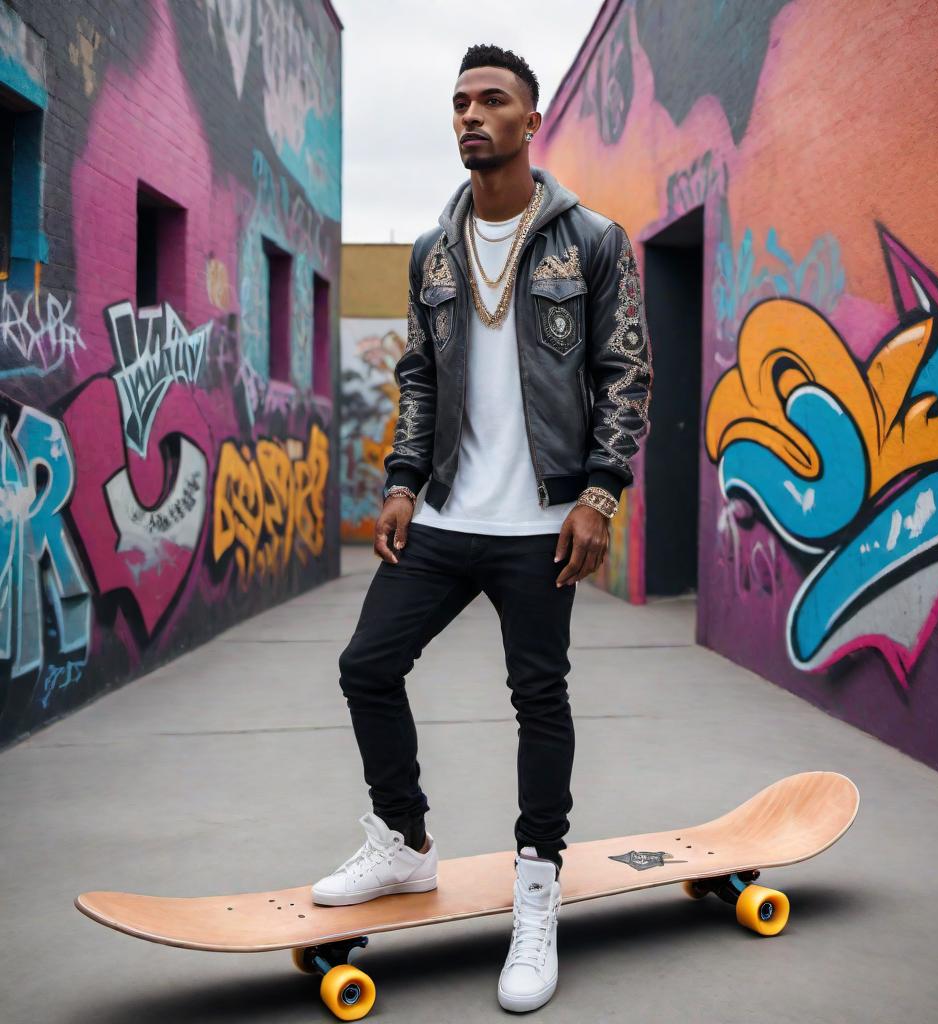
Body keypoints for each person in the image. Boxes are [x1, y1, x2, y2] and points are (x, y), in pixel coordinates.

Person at [313, 43, 652, 1013]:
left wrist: (598, 495)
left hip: (543, 520)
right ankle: (404, 845)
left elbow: (624, 375)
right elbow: (419, 376)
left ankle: (535, 887)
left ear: (529, 119)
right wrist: (402, 480)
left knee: (537, 698)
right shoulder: (432, 250)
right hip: (453, 511)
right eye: (458, 101)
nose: (470, 115)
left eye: (491, 100)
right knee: (367, 663)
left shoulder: (591, 239)